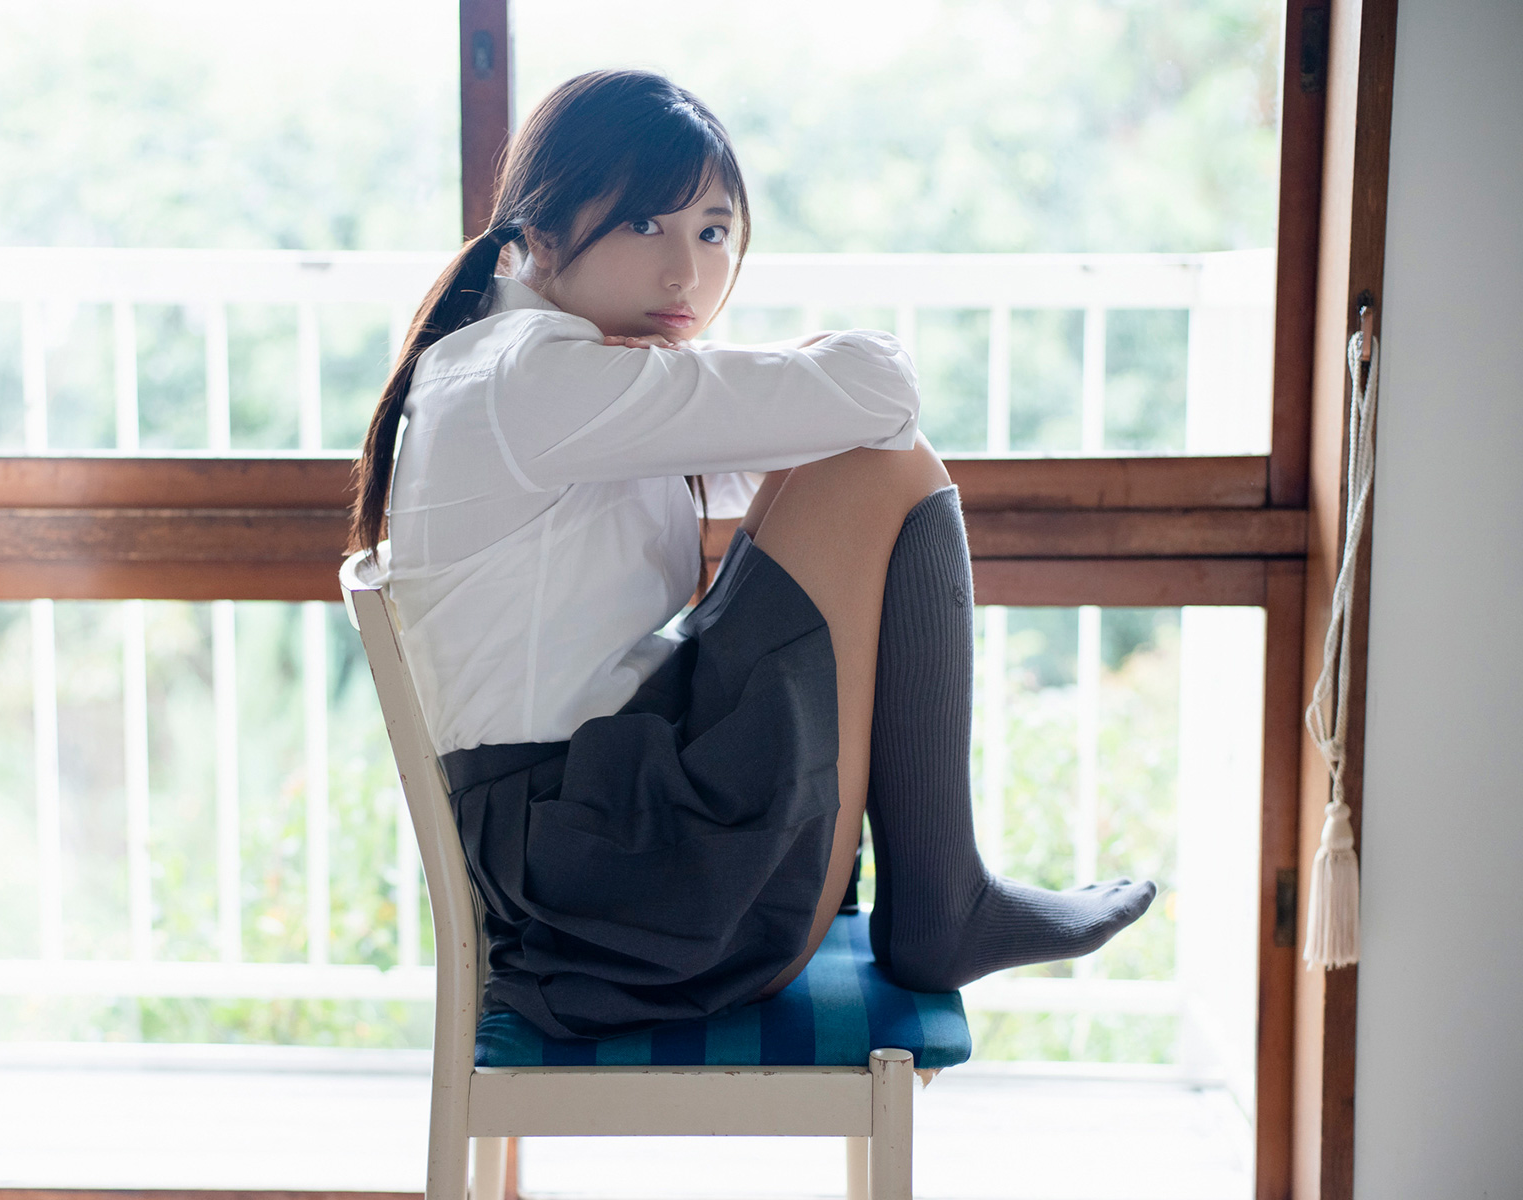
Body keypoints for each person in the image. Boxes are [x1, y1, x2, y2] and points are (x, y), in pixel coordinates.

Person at [351, 68, 1155, 1041]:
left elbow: (795, 436)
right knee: (884, 460)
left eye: (713, 232)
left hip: (583, 850)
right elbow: (880, 391)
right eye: (644, 224)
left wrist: (784, 395)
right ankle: (944, 896)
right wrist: (812, 363)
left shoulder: (510, 361)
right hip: (611, 882)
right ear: (542, 229)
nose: (684, 274)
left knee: (841, 454)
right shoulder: (533, 376)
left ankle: (945, 891)